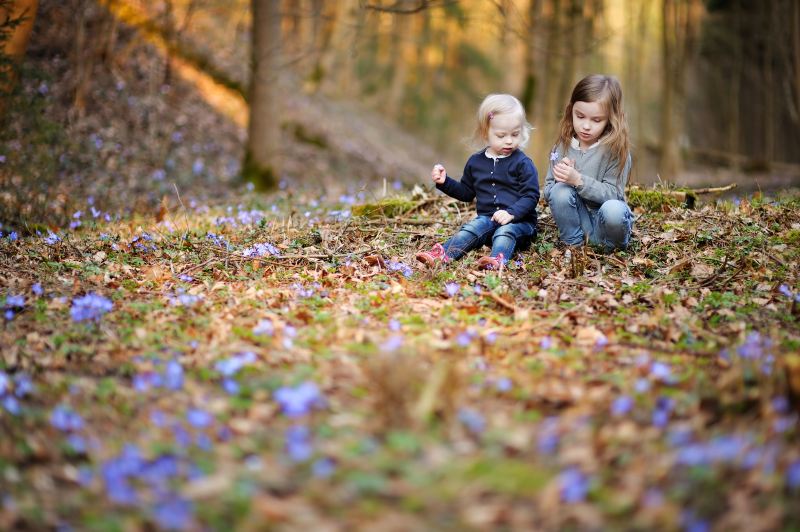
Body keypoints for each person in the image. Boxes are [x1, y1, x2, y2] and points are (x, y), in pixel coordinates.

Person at [415, 93, 539, 270]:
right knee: (471, 228)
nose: (509, 140)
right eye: (501, 135)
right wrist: (444, 182)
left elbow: (531, 195)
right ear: (485, 133)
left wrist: (511, 213)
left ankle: (496, 261)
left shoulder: (523, 163)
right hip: (487, 221)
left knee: (505, 232)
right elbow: (466, 192)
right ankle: (442, 254)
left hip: (520, 224)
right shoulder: (476, 162)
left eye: (515, 134)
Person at [544, 74, 633, 254]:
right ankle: (574, 246)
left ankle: (612, 250)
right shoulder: (562, 146)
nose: (586, 126)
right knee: (560, 191)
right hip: (578, 225)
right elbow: (548, 191)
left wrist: (578, 180)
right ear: (571, 111)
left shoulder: (615, 150)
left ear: (610, 118)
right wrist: (562, 178)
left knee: (614, 209)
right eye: (580, 116)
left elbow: (613, 195)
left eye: (596, 120)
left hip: (606, 226)